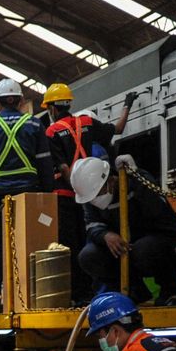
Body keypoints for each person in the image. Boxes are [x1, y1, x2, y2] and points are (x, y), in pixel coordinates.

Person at [42, 84, 138, 303]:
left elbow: (64, 168)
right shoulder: (87, 122)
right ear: (68, 103)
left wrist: (78, 188)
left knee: (72, 245)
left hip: (68, 196)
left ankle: (79, 295)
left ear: (51, 108)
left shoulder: (52, 131)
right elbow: (119, 128)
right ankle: (98, 291)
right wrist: (127, 105)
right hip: (95, 191)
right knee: (92, 241)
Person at [0, 78, 55, 312]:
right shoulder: (35, 126)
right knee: (34, 244)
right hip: (29, 192)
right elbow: (45, 164)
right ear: (20, 102)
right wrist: (47, 195)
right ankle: (37, 297)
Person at [71, 155, 176, 305]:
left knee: (145, 249)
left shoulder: (133, 183)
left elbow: (157, 211)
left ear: (110, 180)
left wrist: (138, 177)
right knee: (88, 256)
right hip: (126, 248)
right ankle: (133, 292)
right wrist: (106, 235)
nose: (96, 200)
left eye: (99, 194)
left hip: (162, 242)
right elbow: (92, 225)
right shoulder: (90, 198)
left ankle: (171, 291)